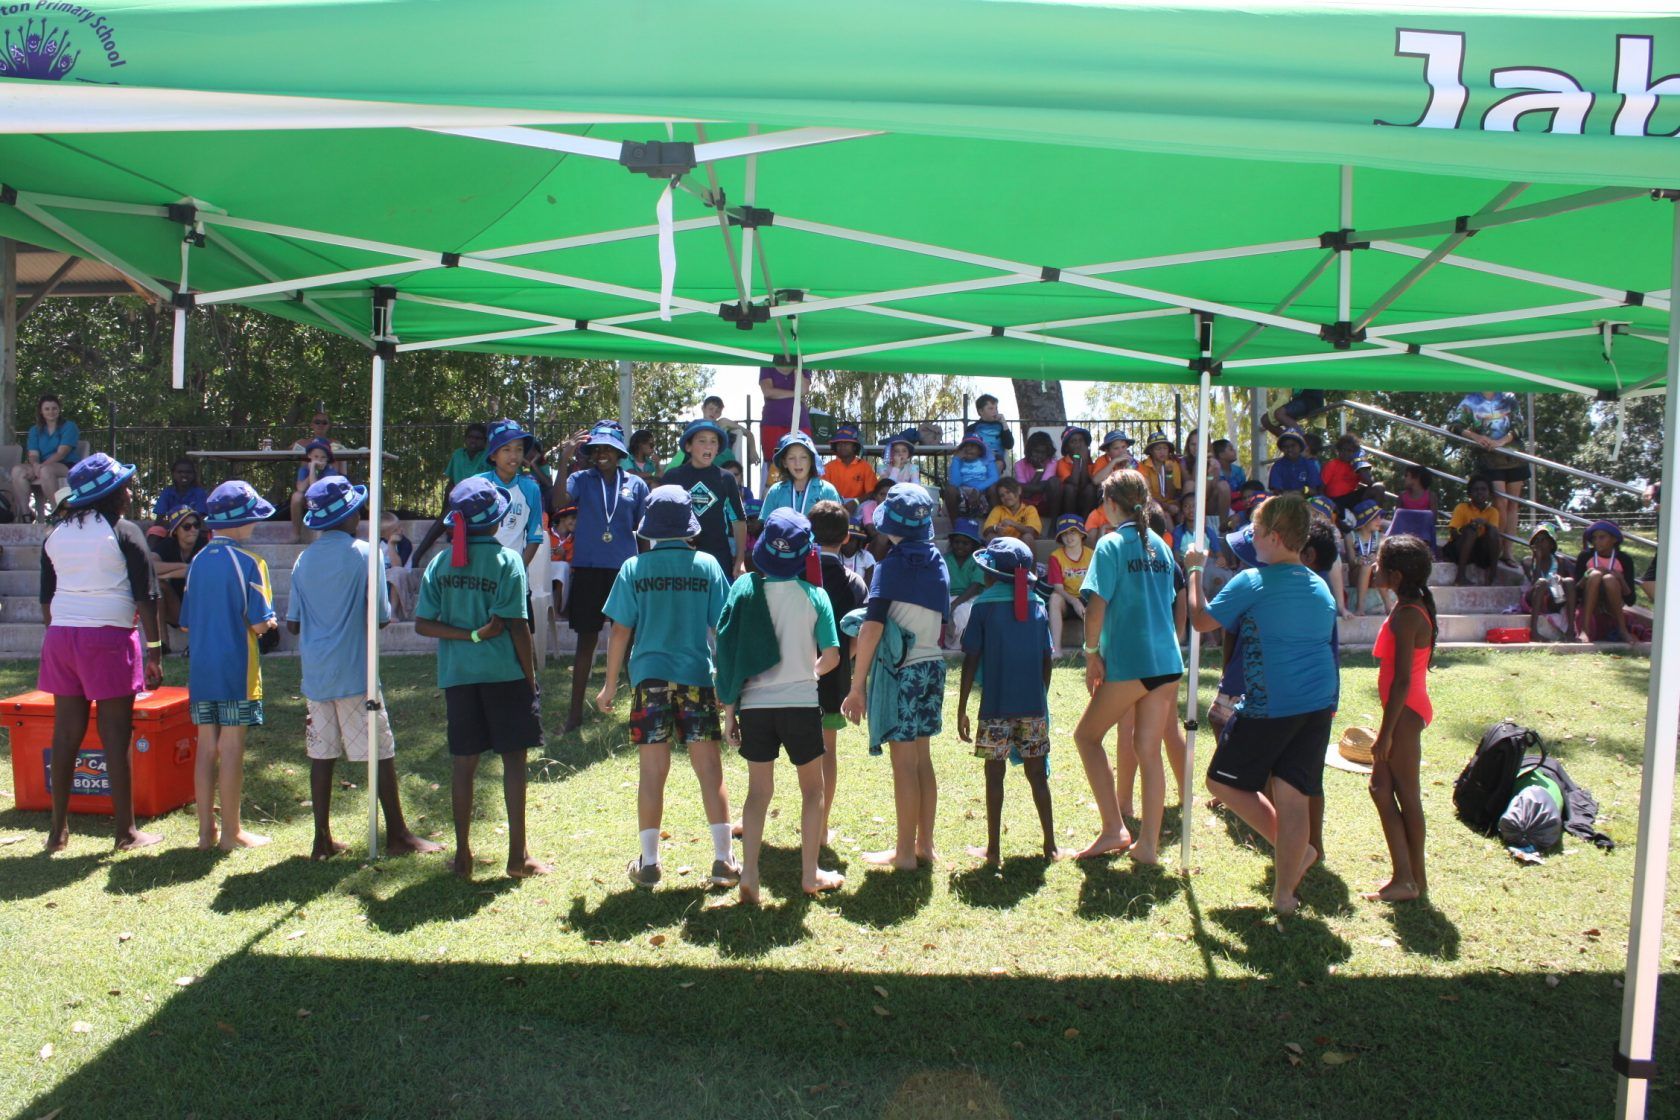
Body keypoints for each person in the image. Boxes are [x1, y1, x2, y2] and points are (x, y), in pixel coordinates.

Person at [1185, 494, 1338, 916]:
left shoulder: (1253, 581)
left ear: (1272, 536)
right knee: (1293, 797)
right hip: (1316, 704)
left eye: (1253, 532)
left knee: (1222, 782)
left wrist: (1194, 572)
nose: (1251, 540)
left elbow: (1201, 622)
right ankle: (1285, 892)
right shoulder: (1318, 584)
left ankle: (1294, 855)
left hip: (1274, 704)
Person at [287, 476, 440, 861]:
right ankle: (397, 833)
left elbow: (293, 622)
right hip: (356, 671)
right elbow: (381, 618)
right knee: (380, 750)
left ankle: (321, 839)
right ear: (351, 514)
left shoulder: (303, 559)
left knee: (321, 754)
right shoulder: (366, 553)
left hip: (317, 673)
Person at [594, 485, 738, 889]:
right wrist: (729, 686)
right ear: (689, 526)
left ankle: (651, 862)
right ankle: (723, 859)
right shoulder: (708, 565)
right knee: (710, 770)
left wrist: (609, 687)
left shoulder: (633, 568)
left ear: (649, 527)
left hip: (649, 681)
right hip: (696, 679)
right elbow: (723, 628)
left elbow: (620, 631)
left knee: (652, 773)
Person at [414, 476, 550, 879]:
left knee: (463, 764)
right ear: (497, 520)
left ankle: (462, 857)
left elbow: (423, 624)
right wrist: (531, 679)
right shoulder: (508, 561)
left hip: (458, 678)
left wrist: (466, 636)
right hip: (505, 675)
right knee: (514, 764)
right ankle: (517, 857)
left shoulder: (440, 563)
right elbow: (518, 628)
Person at [715, 509, 845, 903]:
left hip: (755, 706)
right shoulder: (815, 596)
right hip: (802, 705)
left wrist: (730, 711)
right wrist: (812, 673)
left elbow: (731, 651)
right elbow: (834, 654)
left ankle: (750, 874)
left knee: (758, 794)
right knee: (812, 791)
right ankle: (810, 874)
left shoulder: (745, 590)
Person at [38, 453, 165, 853]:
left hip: (62, 638)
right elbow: (147, 596)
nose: (128, 492)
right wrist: (155, 651)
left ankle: (57, 832)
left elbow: (46, 599)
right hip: (108, 638)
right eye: (123, 486)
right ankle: (125, 832)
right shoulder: (124, 531)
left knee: (65, 735)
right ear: (110, 494)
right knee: (115, 736)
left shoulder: (55, 535)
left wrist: (64, 636)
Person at [1070, 470, 1184, 864]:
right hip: (1167, 662)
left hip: (1132, 662)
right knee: (1148, 751)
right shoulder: (1162, 545)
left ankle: (1114, 829)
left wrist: (1090, 653)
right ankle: (1147, 847)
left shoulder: (1109, 544)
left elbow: (1096, 605)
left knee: (1086, 737)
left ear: (1110, 505)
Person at [842, 484, 949, 871]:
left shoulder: (890, 566)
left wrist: (857, 687)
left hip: (902, 673)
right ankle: (925, 845)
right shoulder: (937, 561)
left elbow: (871, 629)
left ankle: (904, 854)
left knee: (903, 764)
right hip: (933, 667)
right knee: (922, 759)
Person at [180, 480, 280, 851]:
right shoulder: (252, 563)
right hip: (237, 668)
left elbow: (187, 621)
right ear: (240, 521)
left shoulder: (198, 562)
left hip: (202, 668)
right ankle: (232, 832)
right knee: (233, 745)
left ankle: (205, 832)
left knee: (206, 744)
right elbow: (258, 623)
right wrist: (269, 623)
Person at [956, 537, 1058, 863]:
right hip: (1032, 707)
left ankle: (994, 850)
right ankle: (1050, 846)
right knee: (1037, 776)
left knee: (993, 777)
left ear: (990, 575)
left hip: (994, 709)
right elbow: (1047, 660)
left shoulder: (983, 607)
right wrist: (1040, 699)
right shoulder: (1038, 607)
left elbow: (971, 658)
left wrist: (961, 708)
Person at [561, 422, 651, 733]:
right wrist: (564, 460)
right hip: (587, 568)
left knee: (627, 643)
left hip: (625, 572)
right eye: (596, 449)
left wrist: (646, 566)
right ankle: (574, 714)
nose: (602, 454)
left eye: (608, 448)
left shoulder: (636, 486)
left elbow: (644, 531)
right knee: (586, 641)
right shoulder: (581, 480)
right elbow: (559, 503)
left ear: (620, 452)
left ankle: (639, 714)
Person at [1365, 533, 1437, 903]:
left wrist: (1385, 734)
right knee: (1379, 788)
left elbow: (1403, 681)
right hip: (1401, 711)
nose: (1373, 567)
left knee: (1406, 794)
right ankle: (1406, 877)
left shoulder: (1408, 615)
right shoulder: (1406, 607)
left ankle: (1413, 880)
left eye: (1378, 562)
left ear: (1393, 575)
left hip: (1405, 712)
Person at [810, 500, 868, 843]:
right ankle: (821, 826)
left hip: (791, 678)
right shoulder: (855, 582)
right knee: (826, 751)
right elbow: (858, 636)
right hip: (834, 682)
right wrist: (842, 658)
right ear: (847, 537)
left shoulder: (793, 576)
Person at [1447, 391, 1526, 565]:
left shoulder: (1509, 398)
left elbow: (1520, 425)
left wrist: (1501, 442)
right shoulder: (1470, 400)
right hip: (1488, 459)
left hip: (1515, 457)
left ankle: (1508, 552)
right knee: (1500, 502)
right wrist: (1476, 436)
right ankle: (1495, 549)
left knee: (1513, 504)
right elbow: (1454, 425)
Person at [663, 418, 748, 579]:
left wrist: (740, 559)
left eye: (713, 441)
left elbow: (738, 521)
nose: (708, 446)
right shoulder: (673, 477)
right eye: (702, 441)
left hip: (718, 557)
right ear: (688, 446)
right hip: (680, 557)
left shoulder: (727, 478)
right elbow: (662, 519)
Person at [413, 422, 490, 562]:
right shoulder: (458, 455)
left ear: (485, 442)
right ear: (465, 439)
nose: (474, 440)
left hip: (480, 503)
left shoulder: (488, 456)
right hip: (459, 502)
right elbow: (451, 483)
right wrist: (444, 509)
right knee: (445, 517)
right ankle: (417, 555)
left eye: (479, 438)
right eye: (471, 437)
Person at [477, 420, 546, 571]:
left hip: (513, 576)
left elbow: (535, 536)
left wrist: (517, 570)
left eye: (519, 449)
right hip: (481, 573)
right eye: (506, 450)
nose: (514, 456)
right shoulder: (477, 484)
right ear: (493, 455)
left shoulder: (531, 489)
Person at [12, 393, 81, 522]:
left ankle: (58, 512)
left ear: (59, 410)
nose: (51, 412)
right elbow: (33, 454)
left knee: (46, 470)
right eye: (47, 409)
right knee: (17, 470)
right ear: (41, 411)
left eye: (54, 408)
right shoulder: (35, 430)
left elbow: (62, 453)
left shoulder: (69, 426)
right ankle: (26, 515)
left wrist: (40, 467)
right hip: (41, 465)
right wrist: (36, 465)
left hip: (65, 464)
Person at [1575, 520, 1638, 642]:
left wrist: (1619, 578)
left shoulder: (1624, 559)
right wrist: (1587, 574)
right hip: (1590, 602)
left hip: (1612, 605)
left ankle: (1622, 630)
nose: (1596, 541)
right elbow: (1576, 591)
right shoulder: (1585, 556)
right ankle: (1586, 629)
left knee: (1609, 579)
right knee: (1596, 574)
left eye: (1602, 537)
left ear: (1614, 539)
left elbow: (1631, 600)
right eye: (1594, 538)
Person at [149, 506, 205, 636]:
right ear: (175, 531)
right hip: (176, 608)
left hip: (199, 609)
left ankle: (195, 642)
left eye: (196, 525)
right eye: (187, 526)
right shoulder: (168, 545)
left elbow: (202, 572)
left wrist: (168, 573)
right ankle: (162, 644)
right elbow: (149, 566)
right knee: (158, 586)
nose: (193, 530)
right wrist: (184, 567)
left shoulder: (203, 544)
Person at [762, 432, 841, 519]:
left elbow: (837, 529)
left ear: (812, 461)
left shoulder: (827, 491)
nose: (797, 463)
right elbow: (767, 527)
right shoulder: (775, 491)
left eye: (803, 457)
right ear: (784, 462)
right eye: (791, 458)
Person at [1522, 522, 1576, 641]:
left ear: (1551, 544)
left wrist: (1559, 579)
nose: (1539, 543)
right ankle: (1534, 632)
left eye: (1543, 540)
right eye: (1536, 540)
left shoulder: (1560, 561)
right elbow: (1534, 582)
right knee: (1542, 582)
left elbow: (1559, 591)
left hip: (1554, 598)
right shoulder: (1528, 561)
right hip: (1534, 598)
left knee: (1569, 581)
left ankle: (1570, 631)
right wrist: (1538, 559)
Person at [1046, 513, 1091, 654]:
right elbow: (1058, 588)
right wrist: (1074, 602)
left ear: (1081, 534)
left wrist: (1083, 603)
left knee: (1097, 600)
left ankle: (1089, 648)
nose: (1069, 537)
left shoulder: (1092, 554)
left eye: (1073, 532)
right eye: (1064, 534)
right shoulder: (1055, 556)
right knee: (1054, 598)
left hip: (1087, 597)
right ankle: (1057, 650)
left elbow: (1096, 585)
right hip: (1067, 599)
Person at [1447, 477, 1502, 586]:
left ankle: (1493, 576)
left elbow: (1494, 534)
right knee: (1471, 531)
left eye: (1483, 489)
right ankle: (1460, 577)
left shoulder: (1493, 511)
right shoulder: (1461, 507)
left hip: (1479, 551)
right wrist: (1468, 526)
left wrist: (1485, 524)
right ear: (1470, 493)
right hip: (1459, 548)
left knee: (1493, 532)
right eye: (1476, 490)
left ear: (1489, 492)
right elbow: (1453, 533)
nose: (1479, 492)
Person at [758, 365, 814, 463]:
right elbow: (768, 392)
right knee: (773, 462)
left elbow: (804, 389)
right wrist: (796, 394)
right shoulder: (767, 365)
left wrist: (797, 368)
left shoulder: (803, 366)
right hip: (773, 422)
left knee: (802, 460)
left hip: (800, 422)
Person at [942, 518, 984, 649]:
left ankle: (958, 648)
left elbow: (975, 587)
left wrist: (954, 604)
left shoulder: (978, 560)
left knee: (963, 612)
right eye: (957, 542)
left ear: (974, 545)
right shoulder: (945, 559)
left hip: (972, 597)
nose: (960, 546)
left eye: (965, 543)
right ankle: (946, 642)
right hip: (948, 595)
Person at [290, 439, 345, 538]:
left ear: (327, 459)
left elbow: (315, 491)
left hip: (325, 503)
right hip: (309, 502)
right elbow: (301, 488)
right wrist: (312, 469)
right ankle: (296, 533)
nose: (319, 460)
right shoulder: (304, 470)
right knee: (296, 496)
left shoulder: (330, 471)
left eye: (323, 457)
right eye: (316, 457)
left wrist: (313, 470)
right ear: (309, 456)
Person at [942, 433, 1000, 522]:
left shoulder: (986, 460)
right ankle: (956, 524)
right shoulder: (959, 461)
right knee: (950, 489)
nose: (968, 448)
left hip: (983, 489)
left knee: (994, 487)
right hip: (963, 491)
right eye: (966, 446)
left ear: (980, 450)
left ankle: (994, 522)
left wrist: (978, 489)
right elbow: (955, 483)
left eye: (973, 446)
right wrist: (956, 460)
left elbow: (994, 477)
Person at [1322, 433, 1384, 515]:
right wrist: (1328, 505)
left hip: (1350, 498)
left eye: (1350, 451)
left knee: (1379, 487)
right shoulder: (1332, 464)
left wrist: (1359, 461)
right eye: (1343, 450)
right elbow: (1320, 488)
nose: (1346, 453)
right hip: (1334, 501)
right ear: (1339, 450)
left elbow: (1370, 482)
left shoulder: (1356, 465)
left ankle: (1375, 517)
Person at [1347, 502, 1390, 615]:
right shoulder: (1350, 537)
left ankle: (1388, 606)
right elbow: (1351, 563)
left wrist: (1376, 558)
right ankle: (1360, 607)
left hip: (1375, 577)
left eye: (1380, 518)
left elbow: (1385, 559)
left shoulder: (1380, 537)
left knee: (1377, 566)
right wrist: (1358, 560)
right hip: (1356, 576)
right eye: (1375, 518)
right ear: (1365, 521)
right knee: (1366, 566)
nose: (1379, 521)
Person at [822, 424, 878, 504]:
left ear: (855, 446)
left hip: (858, 505)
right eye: (839, 444)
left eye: (846, 443)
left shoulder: (865, 467)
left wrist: (855, 502)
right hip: (834, 505)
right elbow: (822, 492)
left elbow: (872, 492)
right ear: (835, 446)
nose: (842, 446)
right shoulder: (828, 467)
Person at [1014, 431, 1062, 521]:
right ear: (1029, 450)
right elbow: (1026, 494)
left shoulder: (1052, 463)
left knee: (1054, 481)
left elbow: (1042, 487)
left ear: (1048, 453)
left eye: (1043, 453)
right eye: (1036, 451)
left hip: (1045, 503)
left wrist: (1027, 487)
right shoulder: (1019, 465)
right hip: (1025, 504)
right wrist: (1040, 470)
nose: (1039, 456)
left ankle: (1053, 523)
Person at [1056, 425, 1100, 518]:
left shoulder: (1090, 463)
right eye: (1073, 441)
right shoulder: (1062, 463)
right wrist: (1077, 457)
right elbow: (1074, 482)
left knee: (1090, 488)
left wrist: (1084, 461)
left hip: (1084, 501)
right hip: (1067, 502)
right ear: (1067, 448)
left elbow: (1084, 483)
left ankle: (1086, 523)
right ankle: (1070, 523)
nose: (1078, 444)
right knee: (1070, 488)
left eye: (1081, 440)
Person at [981, 477, 1041, 544]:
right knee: (991, 536)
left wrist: (1013, 524)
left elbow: (1032, 532)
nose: (1006, 497)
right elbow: (986, 531)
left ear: (1019, 490)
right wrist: (995, 528)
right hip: (1003, 545)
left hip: (1022, 546)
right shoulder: (998, 509)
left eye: (1008, 492)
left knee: (1027, 537)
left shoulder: (1030, 509)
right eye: (1002, 495)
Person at [1135, 431, 1182, 518]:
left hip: (1172, 504)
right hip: (1151, 505)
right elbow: (1146, 496)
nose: (1162, 452)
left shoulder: (1173, 464)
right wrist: (1166, 507)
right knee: (1165, 515)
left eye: (1165, 448)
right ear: (1151, 451)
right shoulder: (1143, 466)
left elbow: (1172, 494)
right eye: (1158, 449)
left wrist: (1169, 474)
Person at [379, 511, 415, 620]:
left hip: (401, 580)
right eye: (395, 530)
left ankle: (393, 612)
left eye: (400, 527)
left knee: (396, 573)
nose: (400, 531)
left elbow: (397, 567)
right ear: (383, 534)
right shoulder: (377, 543)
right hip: (383, 580)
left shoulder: (405, 544)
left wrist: (391, 545)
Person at [1266, 427, 1321, 496]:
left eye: (1293, 445)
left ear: (1300, 446)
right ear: (1281, 449)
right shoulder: (1277, 466)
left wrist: (1302, 491)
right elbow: (1276, 491)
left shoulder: (1309, 464)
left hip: (1306, 501)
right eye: (1285, 446)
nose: (1289, 449)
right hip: (1285, 502)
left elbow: (1314, 490)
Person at [151, 458, 208, 524]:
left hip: (193, 527)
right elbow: (159, 519)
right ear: (173, 474)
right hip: (172, 528)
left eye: (188, 472)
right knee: (155, 530)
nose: (184, 475)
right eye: (180, 472)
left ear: (194, 474)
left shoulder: (199, 493)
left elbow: (200, 519)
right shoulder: (167, 492)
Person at [967, 394, 1015, 471]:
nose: (995, 411)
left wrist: (1004, 423)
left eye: (996, 408)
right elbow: (967, 447)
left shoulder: (1001, 427)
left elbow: (1009, 445)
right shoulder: (972, 428)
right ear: (981, 411)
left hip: (996, 459)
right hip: (979, 458)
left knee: (998, 464)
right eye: (991, 408)